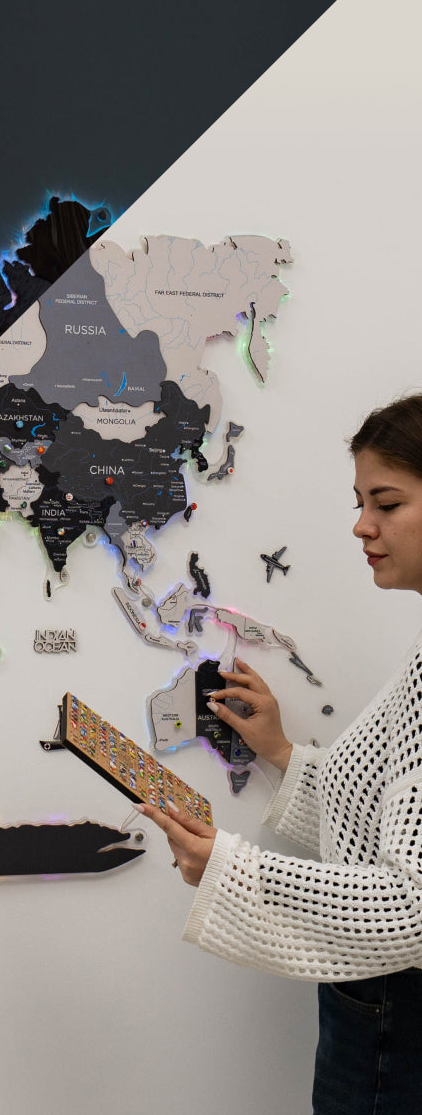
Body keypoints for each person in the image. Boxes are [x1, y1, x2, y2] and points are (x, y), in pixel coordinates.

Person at [139, 393, 422, 1115]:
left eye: (386, 503)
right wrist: (283, 754)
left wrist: (229, 871)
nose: (362, 527)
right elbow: (393, 808)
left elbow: (414, 905)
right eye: (360, 502)